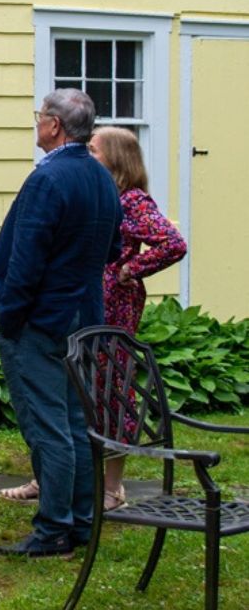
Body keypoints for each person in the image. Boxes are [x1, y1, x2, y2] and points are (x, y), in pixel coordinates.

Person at [0, 89, 122, 558]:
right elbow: (112, 251)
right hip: (85, 316)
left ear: (54, 125)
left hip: (41, 319)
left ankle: (54, 527)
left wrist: (10, 320)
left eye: (40, 118)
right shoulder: (102, 178)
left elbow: (25, 260)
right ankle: (78, 519)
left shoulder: (48, 179)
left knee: (47, 424)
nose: (37, 125)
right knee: (75, 422)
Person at [89, 125, 187, 510]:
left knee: (112, 387)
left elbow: (172, 243)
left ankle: (113, 489)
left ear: (116, 158)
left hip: (116, 306)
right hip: (92, 303)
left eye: (94, 150)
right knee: (84, 386)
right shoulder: (102, 195)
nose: (87, 154)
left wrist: (131, 268)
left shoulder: (133, 201)